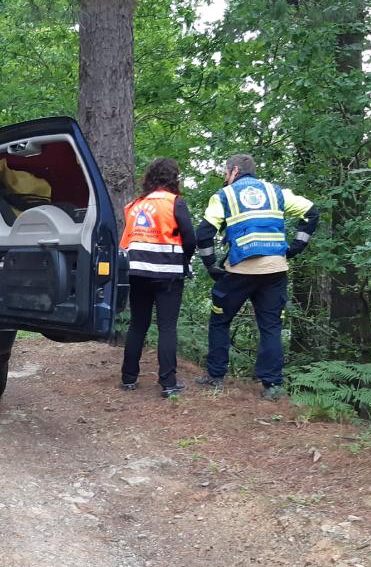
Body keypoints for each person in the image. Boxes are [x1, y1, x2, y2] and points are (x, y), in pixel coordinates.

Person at [193, 154, 319, 401]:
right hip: (275, 269)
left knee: (220, 320)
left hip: (239, 270)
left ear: (234, 171)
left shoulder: (224, 195)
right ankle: (272, 386)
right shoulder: (275, 192)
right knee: (271, 326)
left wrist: (210, 265)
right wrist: (296, 247)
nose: (224, 177)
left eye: (225, 172)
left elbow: (204, 233)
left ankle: (216, 376)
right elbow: (311, 212)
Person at [119, 158, 197, 398]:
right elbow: (190, 239)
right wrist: (184, 261)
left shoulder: (134, 206)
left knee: (138, 324)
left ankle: (128, 378)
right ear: (173, 178)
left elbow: (126, 241)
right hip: (168, 274)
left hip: (137, 272)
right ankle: (168, 383)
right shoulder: (174, 203)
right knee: (167, 327)